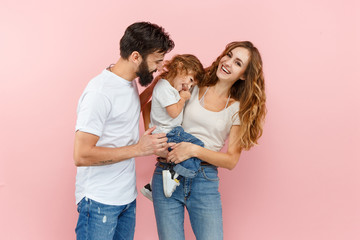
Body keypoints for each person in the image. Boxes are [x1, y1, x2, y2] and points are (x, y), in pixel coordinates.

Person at [144, 41, 266, 240]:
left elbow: (231, 161)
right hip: (167, 171)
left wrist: (193, 150)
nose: (228, 62)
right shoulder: (192, 85)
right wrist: (156, 141)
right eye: (228, 55)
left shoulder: (237, 108)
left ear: (244, 74)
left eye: (237, 63)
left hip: (203, 180)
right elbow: (151, 107)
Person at [73, 22, 174, 240]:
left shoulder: (126, 82)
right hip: (99, 202)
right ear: (136, 57)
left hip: (126, 199)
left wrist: (155, 84)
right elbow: (81, 155)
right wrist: (139, 149)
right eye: (156, 61)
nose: (159, 66)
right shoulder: (99, 92)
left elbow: (125, 109)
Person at [140, 54, 205, 201]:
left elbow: (149, 107)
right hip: (169, 133)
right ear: (180, 67)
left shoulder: (169, 87)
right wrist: (182, 98)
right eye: (189, 80)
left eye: (192, 85)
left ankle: (152, 186)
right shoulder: (164, 88)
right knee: (197, 146)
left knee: (187, 151)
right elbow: (174, 112)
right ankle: (173, 175)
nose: (188, 87)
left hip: (170, 131)